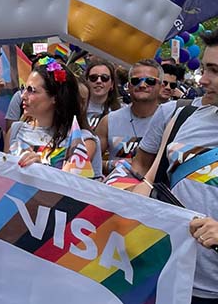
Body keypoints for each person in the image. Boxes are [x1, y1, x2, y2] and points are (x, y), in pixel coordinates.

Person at [132, 30, 218, 303]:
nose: (203, 80)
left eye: (215, 71)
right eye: (205, 68)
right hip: (165, 280)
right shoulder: (179, 116)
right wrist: (43, 175)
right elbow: (144, 179)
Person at [5, 59, 100, 177]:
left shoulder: (81, 140)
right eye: (24, 88)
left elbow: (70, 185)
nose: (23, 96)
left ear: (55, 98)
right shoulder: (15, 130)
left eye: (31, 90)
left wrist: (42, 169)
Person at [95, 59, 162, 174]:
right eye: (136, 80)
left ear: (160, 86)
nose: (142, 85)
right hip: (115, 188)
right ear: (129, 85)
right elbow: (90, 162)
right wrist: (112, 165)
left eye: (150, 81)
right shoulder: (108, 121)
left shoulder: (170, 121)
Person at [84, 58, 122, 129]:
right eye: (93, 77)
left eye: (104, 78)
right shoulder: (75, 108)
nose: (99, 81)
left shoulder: (121, 112)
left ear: (112, 84)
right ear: (86, 81)